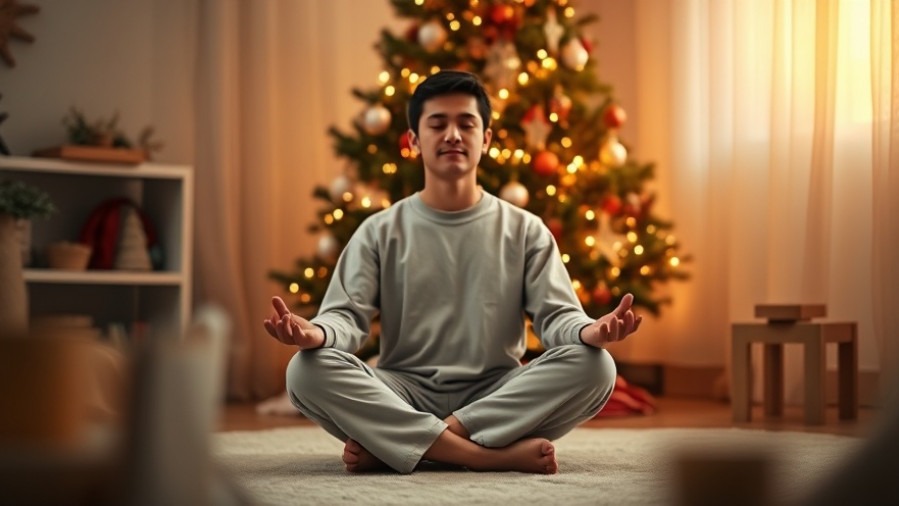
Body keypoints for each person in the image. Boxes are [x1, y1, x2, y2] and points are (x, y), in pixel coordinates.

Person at [263, 70, 642, 475]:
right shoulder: (379, 231)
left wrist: (588, 332)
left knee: (597, 366)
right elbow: (346, 316)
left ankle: (404, 446)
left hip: (494, 395)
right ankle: (482, 456)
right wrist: (318, 333)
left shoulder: (525, 230)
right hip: (402, 392)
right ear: (413, 140)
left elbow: (558, 317)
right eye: (438, 124)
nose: (453, 135)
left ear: (487, 138)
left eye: (466, 123)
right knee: (305, 370)